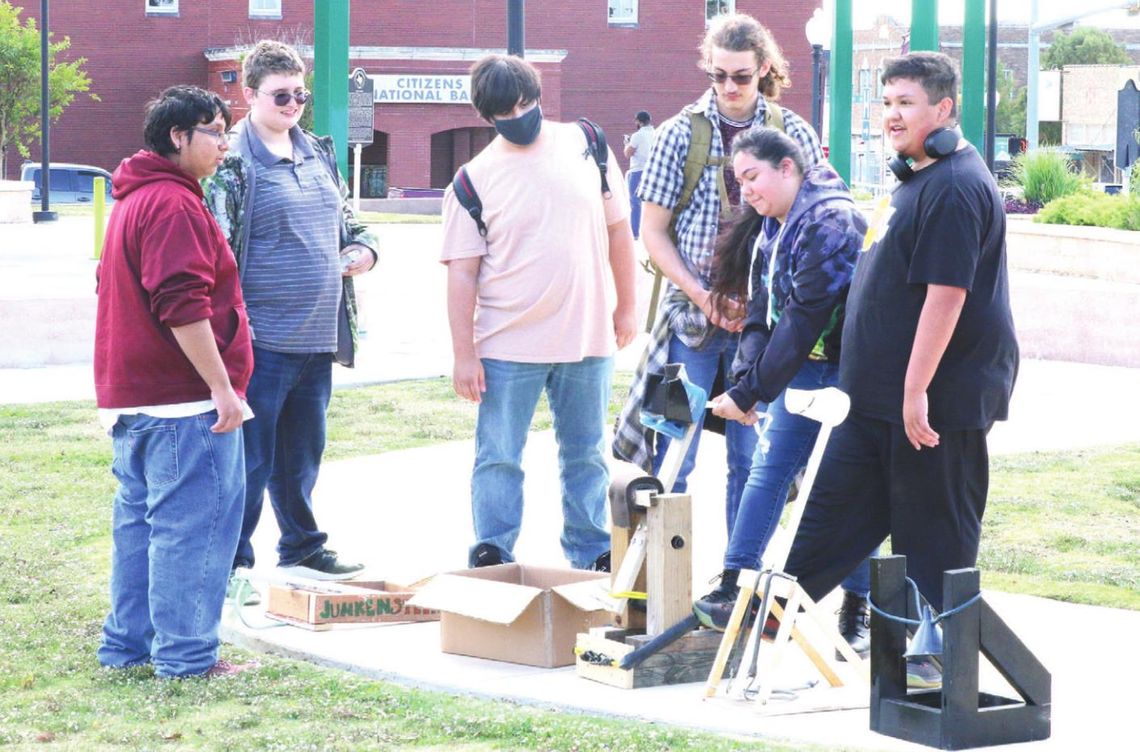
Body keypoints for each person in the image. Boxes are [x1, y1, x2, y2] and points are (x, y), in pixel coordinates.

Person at [783, 52, 1019, 672]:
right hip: (873, 400)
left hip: (932, 402)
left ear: (943, 109)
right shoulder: (916, 179)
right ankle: (762, 623)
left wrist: (917, 390)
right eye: (886, 103)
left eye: (906, 103)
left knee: (934, 536)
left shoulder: (958, 186)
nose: (892, 115)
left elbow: (947, 295)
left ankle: (938, 657)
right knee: (830, 517)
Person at [613, 13, 823, 543]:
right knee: (670, 456)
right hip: (690, 325)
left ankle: (736, 579)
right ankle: (658, 584)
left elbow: (816, 226)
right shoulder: (677, 133)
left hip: (764, 327)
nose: (730, 87)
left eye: (742, 77)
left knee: (752, 461)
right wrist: (702, 294)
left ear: (765, 70)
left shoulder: (793, 132)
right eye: (719, 75)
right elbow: (653, 234)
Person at [685, 127, 879, 656]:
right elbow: (761, 313)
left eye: (752, 177)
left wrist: (749, 395)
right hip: (799, 370)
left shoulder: (832, 220)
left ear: (788, 168)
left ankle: (858, 605)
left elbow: (803, 318)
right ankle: (733, 581)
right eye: (738, 179)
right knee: (768, 471)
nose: (745, 190)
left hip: (846, 372)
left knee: (843, 491)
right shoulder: (775, 222)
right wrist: (748, 383)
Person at [441, 53, 637, 570]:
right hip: (507, 345)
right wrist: (465, 355)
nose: (519, 114)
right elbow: (461, 273)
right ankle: (494, 551)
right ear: (488, 116)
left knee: (587, 454)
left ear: (539, 95)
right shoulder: (471, 180)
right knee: (500, 456)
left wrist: (628, 307)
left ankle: (592, 549)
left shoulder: (588, 144)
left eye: (526, 103)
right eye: (506, 111)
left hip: (586, 338)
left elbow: (620, 229)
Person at [205, 40, 379, 594]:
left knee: (301, 457)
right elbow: (217, 255)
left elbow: (353, 226)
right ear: (249, 94)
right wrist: (232, 337)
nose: (293, 103)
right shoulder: (231, 164)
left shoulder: (319, 152)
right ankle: (232, 565)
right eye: (281, 94)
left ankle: (303, 548)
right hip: (261, 341)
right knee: (250, 464)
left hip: (318, 339)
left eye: (300, 93)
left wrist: (364, 251)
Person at [94, 85, 254, 678]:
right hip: (182, 403)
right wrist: (221, 388)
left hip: (135, 401)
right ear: (177, 137)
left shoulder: (134, 199)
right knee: (195, 530)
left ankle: (126, 648)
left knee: (139, 528)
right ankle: (186, 657)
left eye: (226, 130)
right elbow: (182, 304)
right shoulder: (172, 203)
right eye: (213, 131)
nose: (223, 143)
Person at [623, 110, 654, 240]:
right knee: (652, 203)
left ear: (639, 122)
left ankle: (634, 233)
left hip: (637, 171)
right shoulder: (656, 133)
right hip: (652, 171)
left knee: (635, 203)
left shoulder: (637, 136)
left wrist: (626, 144)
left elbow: (628, 153)